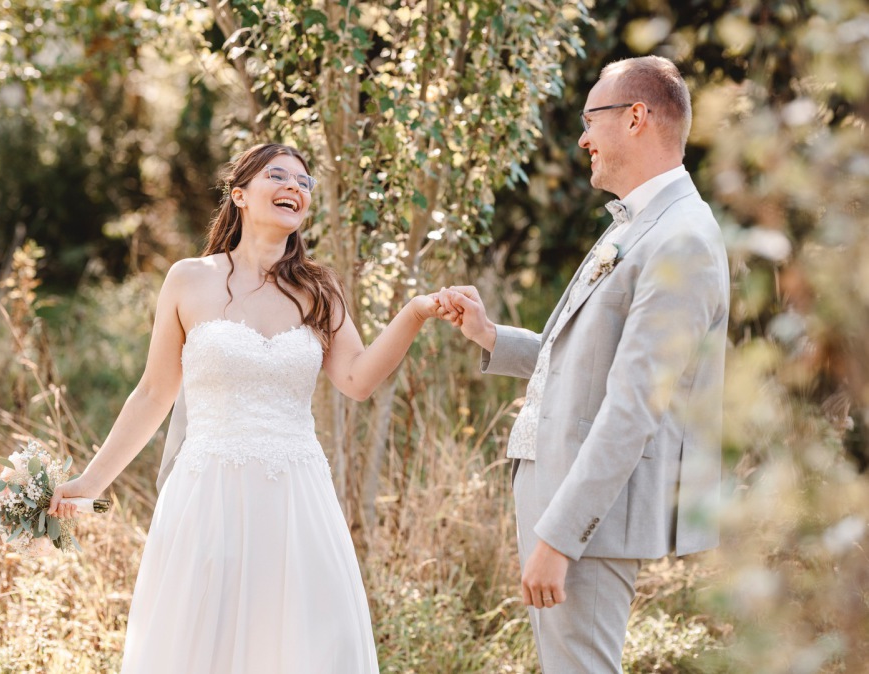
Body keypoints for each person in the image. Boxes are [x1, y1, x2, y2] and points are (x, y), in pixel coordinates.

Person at [49, 143, 441, 673]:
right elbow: (153, 393)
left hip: (296, 498)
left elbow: (357, 379)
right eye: (277, 176)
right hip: (208, 492)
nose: (293, 188)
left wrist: (415, 314)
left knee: (299, 643)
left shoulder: (319, 290)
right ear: (239, 195)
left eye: (303, 183)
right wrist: (90, 484)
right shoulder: (189, 279)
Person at [437, 56, 730, 672]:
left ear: (636, 118)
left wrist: (561, 535)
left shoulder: (680, 238)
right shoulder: (638, 222)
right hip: (565, 499)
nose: (582, 138)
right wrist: (492, 336)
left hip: (591, 518)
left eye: (590, 120)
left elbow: (633, 406)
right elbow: (584, 358)